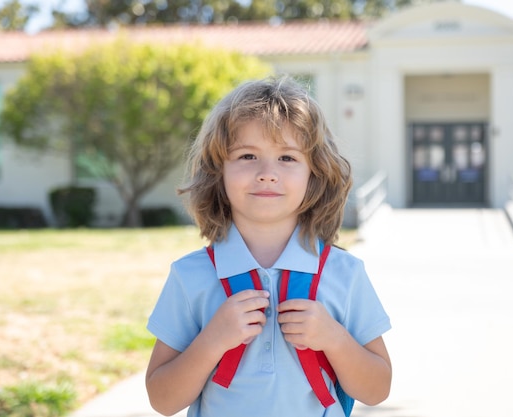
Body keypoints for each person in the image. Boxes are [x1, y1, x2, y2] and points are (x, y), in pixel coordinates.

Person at [145, 76, 391, 417]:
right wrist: (212, 340)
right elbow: (162, 400)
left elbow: (377, 389)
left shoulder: (345, 273)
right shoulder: (190, 276)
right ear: (219, 172)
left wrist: (334, 339)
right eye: (247, 155)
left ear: (314, 174)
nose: (267, 173)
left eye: (287, 158)